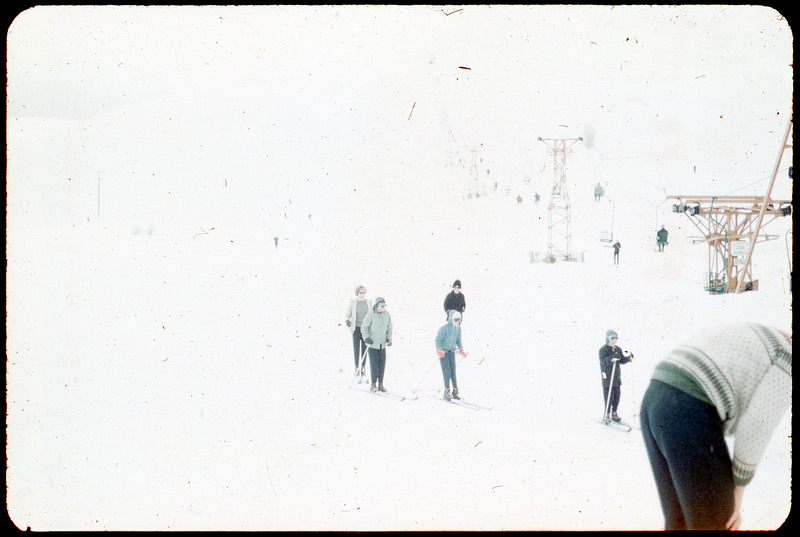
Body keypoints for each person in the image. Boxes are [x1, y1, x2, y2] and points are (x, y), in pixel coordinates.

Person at [639, 323, 791, 530]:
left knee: (680, 521)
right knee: (716, 521)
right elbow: (756, 426)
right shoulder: (787, 357)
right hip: (688, 405)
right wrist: (737, 491)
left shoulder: (768, 337)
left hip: (657, 396)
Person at [598, 329, 633, 422]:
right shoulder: (603, 349)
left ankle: (614, 412)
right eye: (612, 338)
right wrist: (611, 359)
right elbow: (603, 361)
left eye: (616, 338)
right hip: (608, 377)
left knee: (617, 396)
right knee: (609, 396)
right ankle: (607, 414)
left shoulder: (618, 349)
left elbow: (621, 360)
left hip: (616, 377)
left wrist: (628, 359)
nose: (614, 340)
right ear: (607, 338)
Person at [360, 297, 393, 393]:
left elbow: (390, 327)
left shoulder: (387, 315)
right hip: (373, 345)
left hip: (382, 345)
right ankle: (373, 384)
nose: (383, 307)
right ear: (377, 306)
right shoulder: (370, 314)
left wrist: (389, 338)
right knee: (374, 364)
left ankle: (381, 384)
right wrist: (366, 338)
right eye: (381, 305)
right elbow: (364, 327)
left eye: (384, 305)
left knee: (382, 364)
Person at [435, 310, 467, 400]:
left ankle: (455, 391)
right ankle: (446, 391)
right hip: (444, 353)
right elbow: (438, 340)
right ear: (451, 319)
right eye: (455, 320)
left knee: (453, 371)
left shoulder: (458, 329)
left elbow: (458, 340)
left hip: (452, 352)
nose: (457, 322)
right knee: (447, 372)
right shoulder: (444, 328)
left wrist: (461, 349)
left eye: (458, 320)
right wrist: (439, 349)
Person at [344, 285, 372, 377]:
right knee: (356, 349)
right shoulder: (353, 302)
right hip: (356, 328)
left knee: (364, 349)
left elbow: (372, 315)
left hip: (365, 329)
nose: (362, 295)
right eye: (360, 293)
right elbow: (348, 314)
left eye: (364, 293)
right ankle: (356, 367)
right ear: (357, 293)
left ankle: (363, 367)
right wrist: (347, 321)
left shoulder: (368, 302)